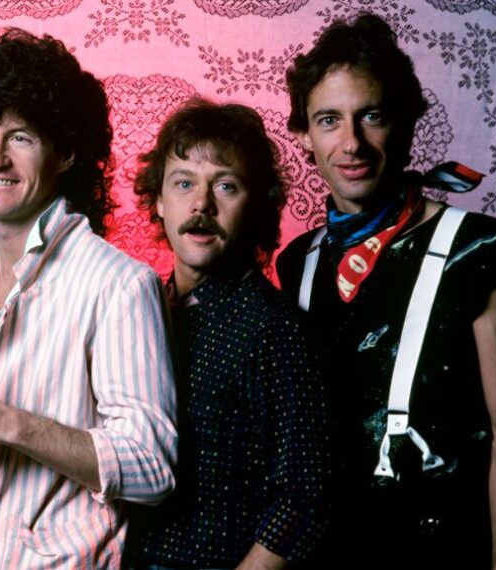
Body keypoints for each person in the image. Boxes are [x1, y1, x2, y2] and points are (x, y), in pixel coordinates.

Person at [0, 28, 177, 569]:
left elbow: (152, 466)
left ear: (64, 151)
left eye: (20, 137)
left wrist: (6, 424)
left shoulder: (118, 284)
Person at [276, 13, 496, 569]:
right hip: (323, 551)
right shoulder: (296, 263)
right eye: (329, 120)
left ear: (403, 124)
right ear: (304, 135)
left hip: (443, 547)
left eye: (371, 116)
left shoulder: (477, 250)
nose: (351, 143)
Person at [125, 98, 331, 569]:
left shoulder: (275, 329)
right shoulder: (134, 309)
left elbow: (304, 497)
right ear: (158, 199)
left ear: (256, 204)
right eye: (183, 184)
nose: (201, 204)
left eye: (226, 185)